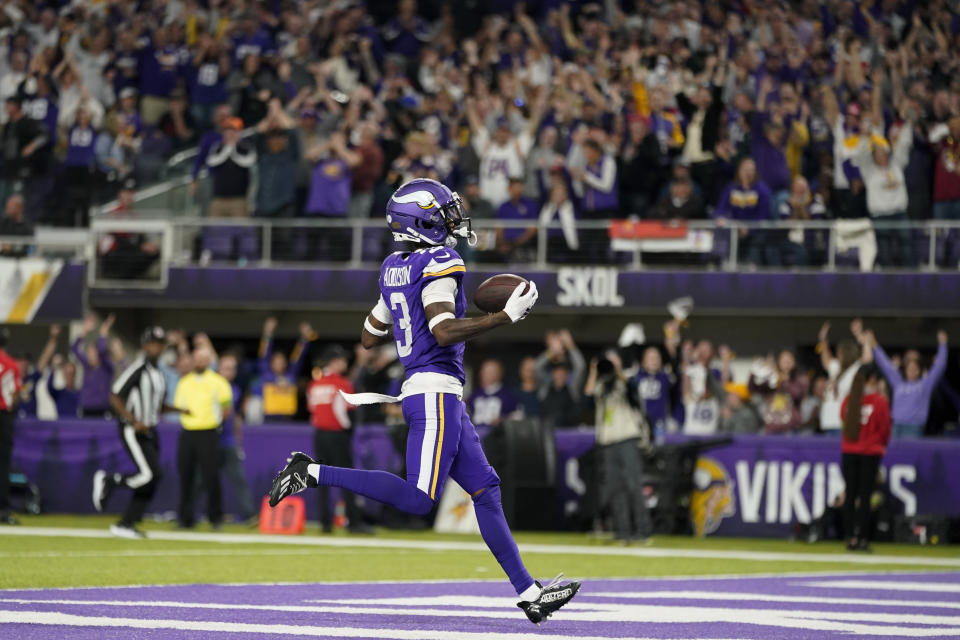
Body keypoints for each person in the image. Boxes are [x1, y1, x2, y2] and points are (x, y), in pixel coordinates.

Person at [268, 178, 579, 623]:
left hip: (437, 392)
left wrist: (404, 313)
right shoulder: (440, 259)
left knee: (486, 489)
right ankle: (310, 471)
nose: (453, 218)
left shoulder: (395, 264)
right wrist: (502, 317)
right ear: (424, 220)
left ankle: (529, 592)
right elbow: (443, 329)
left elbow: (368, 334)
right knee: (418, 499)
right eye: (445, 211)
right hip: (434, 391)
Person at [92, 327, 185, 538]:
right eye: (153, 343)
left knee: (152, 479)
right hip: (133, 429)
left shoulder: (158, 373)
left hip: (151, 430)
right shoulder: (138, 368)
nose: (157, 348)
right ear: (145, 345)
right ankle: (110, 480)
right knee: (151, 474)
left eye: (160, 344)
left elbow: (157, 406)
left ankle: (126, 524)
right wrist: (133, 420)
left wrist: (181, 410)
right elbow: (115, 396)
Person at [584, 350, 651, 544]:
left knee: (633, 484)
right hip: (608, 441)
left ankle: (642, 530)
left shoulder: (626, 381)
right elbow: (587, 400)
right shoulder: (601, 385)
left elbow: (633, 395)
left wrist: (618, 372)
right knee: (614, 488)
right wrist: (594, 372)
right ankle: (623, 530)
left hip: (627, 438)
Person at [306, 346, 371, 534]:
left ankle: (325, 524)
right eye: (342, 360)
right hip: (338, 436)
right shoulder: (342, 384)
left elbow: (312, 410)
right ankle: (354, 523)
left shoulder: (314, 385)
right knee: (346, 479)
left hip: (320, 436)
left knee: (322, 480)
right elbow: (348, 414)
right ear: (334, 362)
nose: (344, 363)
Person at [174, 346, 233, 529]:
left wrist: (214, 422)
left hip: (208, 432)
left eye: (202, 359)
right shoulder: (184, 382)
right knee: (186, 476)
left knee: (211, 477)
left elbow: (226, 408)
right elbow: (179, 406)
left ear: (208, 361)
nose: (199, 362)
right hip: (188, 432)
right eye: (196, 358)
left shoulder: (218, 382)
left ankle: (215, 518)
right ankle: (185, 518)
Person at [839, 364, 891, 552]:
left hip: (849, 451)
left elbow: (843, 420)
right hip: (870, 452)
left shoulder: (849, 400)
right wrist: (879, 444)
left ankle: (850, 537)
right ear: (873, 380)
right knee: (865, 496)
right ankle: (861, 538)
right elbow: (885, 428)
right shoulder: (879, 401)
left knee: (850, 494)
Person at [868, 329, 948, 438]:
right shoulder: (898, 382)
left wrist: (943, 345)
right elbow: (885, 364)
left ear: (919, 370)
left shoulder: (925, 384)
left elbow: (939, 367)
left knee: (911, 455)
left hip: (914, 427)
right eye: (910, 368)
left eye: (915, 369)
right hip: (896, 426)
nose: (912, 371)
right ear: (905, 370)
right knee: (893, 455)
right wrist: (874, 343)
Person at [215, 353, 257, 524]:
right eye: (225, 368)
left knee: (238, 479)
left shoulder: (236, 390)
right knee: (201, 480)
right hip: (211, 440)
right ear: (218, 369)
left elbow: (235, 418)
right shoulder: (211, 387)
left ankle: (249, 515)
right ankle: (188, 514)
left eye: (232, 369)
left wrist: (238, 441)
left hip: (228, 440)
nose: (229, 372)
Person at [253, 317, 315, 420]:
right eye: (276, 363)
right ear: (271, 364)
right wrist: (267, 333)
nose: (279, 365)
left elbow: (298, 357)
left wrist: (304, 339)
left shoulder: (290, 375)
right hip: (268, 417)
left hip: (287, 417)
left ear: (286, 364)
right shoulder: (266, 374)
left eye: (281, 362)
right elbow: (264, 354)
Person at [71, 313, 116, 418]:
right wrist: (84, 331)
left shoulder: (106, 367)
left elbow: (102, 350)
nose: (89, 355)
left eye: (92, 352)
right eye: (88, 352)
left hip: (102, 408)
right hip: (87, 407)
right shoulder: (87, 365)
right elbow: (74, 348)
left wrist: (103, 333)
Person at [0, 328, 21, 525]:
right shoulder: (11, 364)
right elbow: (14, 395)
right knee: (3, 464)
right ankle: (2, 509)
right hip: (3, 415)